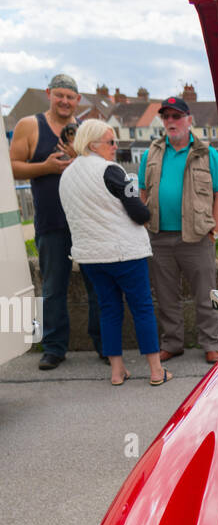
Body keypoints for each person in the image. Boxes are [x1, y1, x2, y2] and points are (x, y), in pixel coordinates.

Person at [58, 120, 172, 386]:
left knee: (108, 310)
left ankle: (117, 371)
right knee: (142, 308)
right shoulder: (113, 171)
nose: (115, 146)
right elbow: (139, 212)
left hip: (90, 256)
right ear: (92, 144)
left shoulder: (66, 175)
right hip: (124, 253)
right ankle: (156, 371)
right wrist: (146, 212)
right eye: (110, 142)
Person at [9, 73, 104, 370]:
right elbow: (12, 167)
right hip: (52, 222)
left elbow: (104, 164)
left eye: (70, 96)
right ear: (49, 94)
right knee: (52, 288)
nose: (64, 101)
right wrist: (47, 166)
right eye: (59, 95)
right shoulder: (29, 125)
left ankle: (104, 344)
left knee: (98, 286)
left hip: (88, 221)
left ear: (78, 100)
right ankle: (53, 348)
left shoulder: (87, 129)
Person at [138, 97, 218, 364]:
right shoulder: (150, 153)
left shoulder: (207, 152)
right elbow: (142, 191)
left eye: (177, 116)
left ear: (189, 120)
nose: (171, 122)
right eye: (166, 117)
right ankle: (172, 343)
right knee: (166, 297)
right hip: (159, 237)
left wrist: (216, 230)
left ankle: (212, 344)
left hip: (198, 236)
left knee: (206, 295)